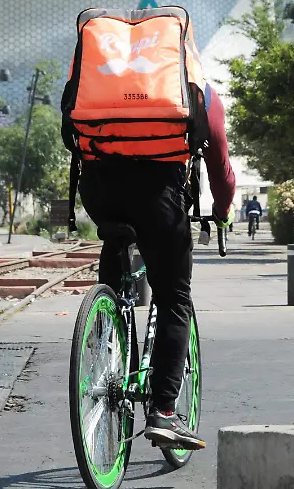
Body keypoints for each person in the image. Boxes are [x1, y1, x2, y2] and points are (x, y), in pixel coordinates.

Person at [75, 80, 235, 451]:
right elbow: (220, 168)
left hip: (100, 192)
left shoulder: (99, 81)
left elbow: (72, 128)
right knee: (174, 297)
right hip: (158, 196)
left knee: (117, 247)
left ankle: (106, 347)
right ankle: (164, 411)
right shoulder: (198, 93)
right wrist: (223, 213)